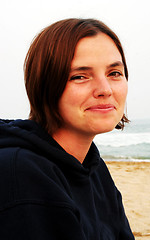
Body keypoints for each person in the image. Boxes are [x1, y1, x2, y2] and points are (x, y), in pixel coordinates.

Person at [0, 18, 135, 239]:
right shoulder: (19, 173)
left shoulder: (93, 166)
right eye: (80, 76)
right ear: (45, 85)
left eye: (114, 73)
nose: (105, 89)